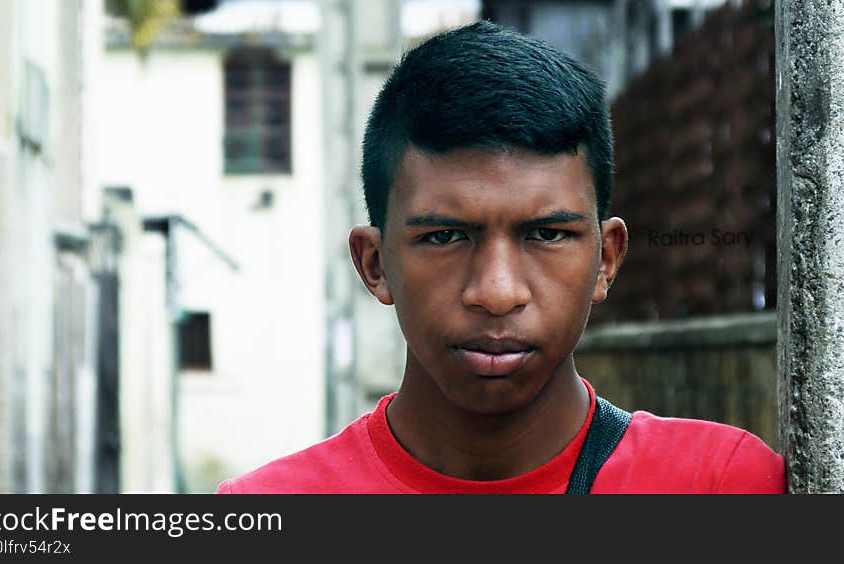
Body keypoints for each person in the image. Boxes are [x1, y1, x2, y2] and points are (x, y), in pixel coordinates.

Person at [217, 20, 785, 494]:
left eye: (546, 234)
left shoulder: (720, 485)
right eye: (444, 236)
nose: (496, 291)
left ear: (606, 260)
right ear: (374, 264)